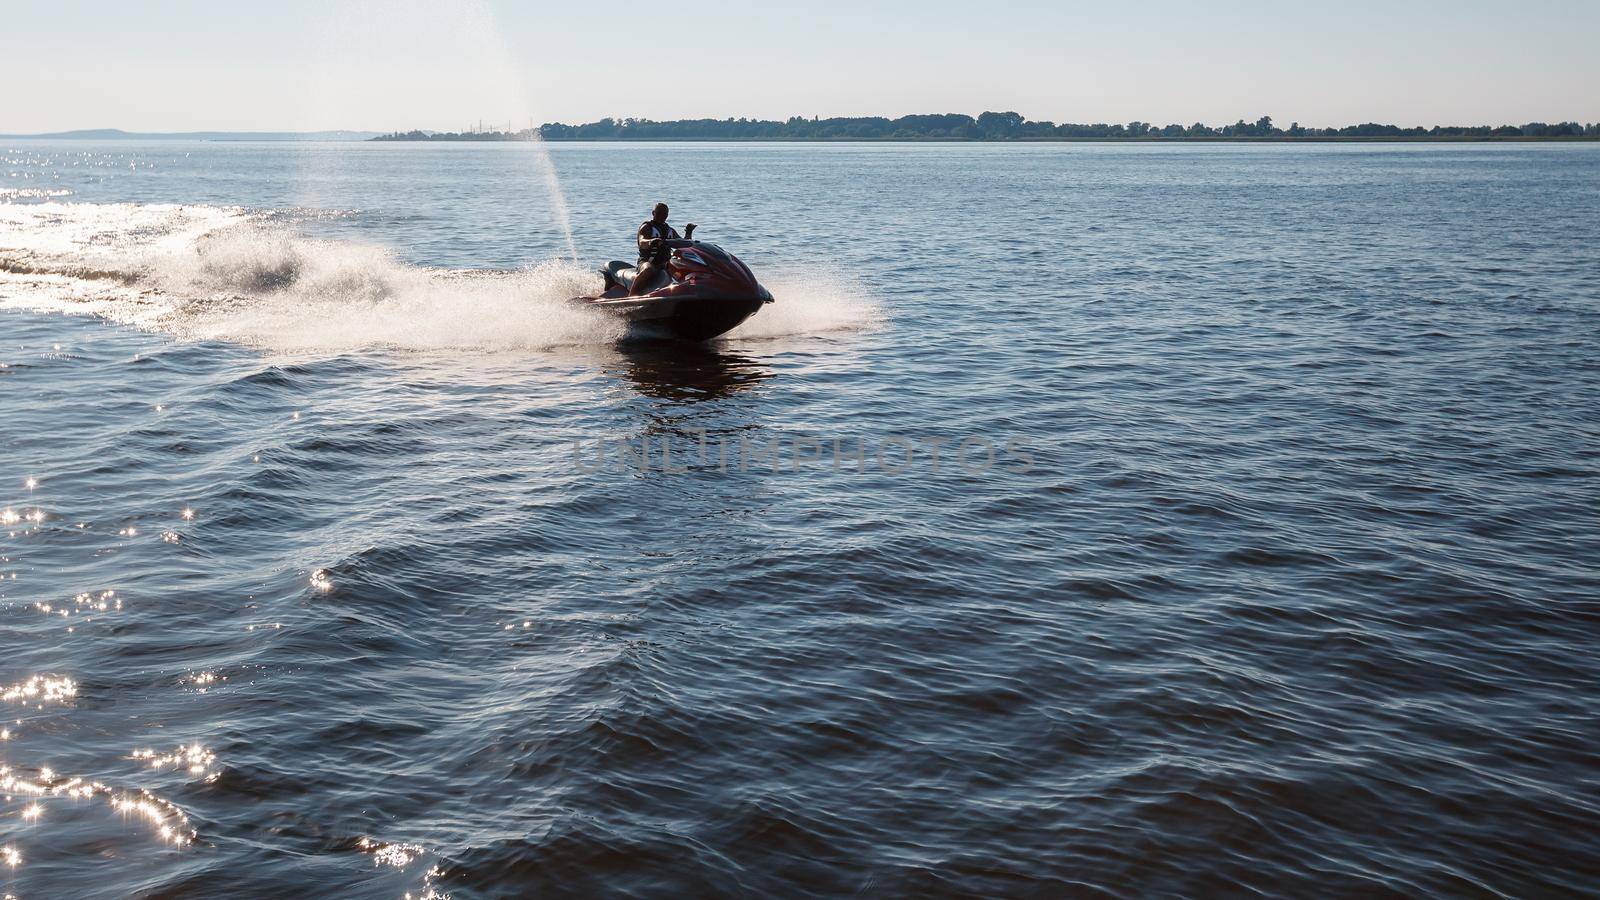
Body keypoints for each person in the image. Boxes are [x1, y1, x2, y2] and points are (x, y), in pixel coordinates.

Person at [631, 203, 694, 296]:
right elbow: (642, 241)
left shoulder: (670, 230)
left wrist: (688, 232)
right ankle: (632, 295)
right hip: (648, 261)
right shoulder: (647, 227)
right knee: (648, 269)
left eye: (665, 213)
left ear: (667, 215)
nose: (662, 215)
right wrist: (651, 241)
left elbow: (684, 244)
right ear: (653, 213)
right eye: (659, 213)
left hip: (665, 263)